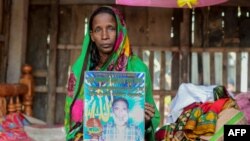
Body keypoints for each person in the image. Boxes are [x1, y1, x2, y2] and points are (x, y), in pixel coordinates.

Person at [64, 6, 160, 141]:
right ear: (92, 36)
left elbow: (152, 120)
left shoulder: (137, 68)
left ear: (120, 31)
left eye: (111, 28)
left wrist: (147, 121)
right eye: (98, 30)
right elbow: (73, 120)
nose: (104, 36)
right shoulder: (81, 71)